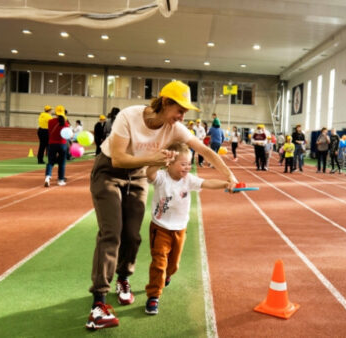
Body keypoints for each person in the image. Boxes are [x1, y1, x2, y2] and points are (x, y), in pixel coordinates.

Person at [85, 80, 237, 330]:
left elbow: (205, 150)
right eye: (180, 110)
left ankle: (123, 277)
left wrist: (229, 176)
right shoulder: (129, 116)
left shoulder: (175, 127)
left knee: (132, 235)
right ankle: (98, 303)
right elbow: (121, 158)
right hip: (109, 171)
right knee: (111, 232)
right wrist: (153, 158)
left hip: (137, 176)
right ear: (165, 103)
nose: (182, 116)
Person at [144, 143, 228, 315]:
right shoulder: (161, 177)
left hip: (180, 229)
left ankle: (167, 276)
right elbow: (149, 173)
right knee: (159, 262)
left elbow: (208, 183)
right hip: (160, 228)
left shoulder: (188, 180)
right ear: (170, 163)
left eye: (189, 164)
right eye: (183, 164)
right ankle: (153, 296)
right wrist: (160, 160)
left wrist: (227, 184)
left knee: (173, 265)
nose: (187, 167)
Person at [44, 108, 70, 187]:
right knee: (62, 163)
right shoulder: (65, 123)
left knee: (50, 162)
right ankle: (60, 180)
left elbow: (49, 131)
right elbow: (67, 134)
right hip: (62, 144)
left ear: (55, 113)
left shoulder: (50, 121)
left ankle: (48, 177)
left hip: (52, 144)